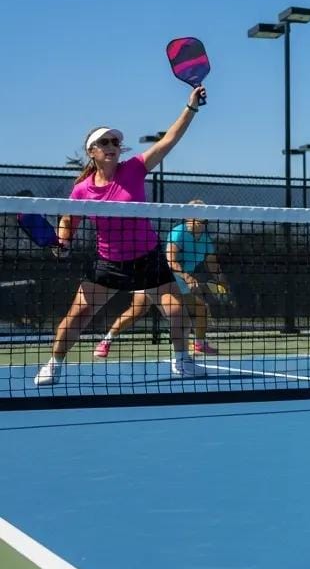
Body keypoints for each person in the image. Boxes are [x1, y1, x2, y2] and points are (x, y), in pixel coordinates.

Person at [34, 87, 208, 386]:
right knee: (76, 318)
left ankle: (182, 361)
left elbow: (169, 140)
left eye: (116, 141)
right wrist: (63, 242)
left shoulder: (135, 169)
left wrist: (190, 107)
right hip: (109, 264)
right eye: (105, 142)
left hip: (148, 259)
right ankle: (53, 364)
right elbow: (69, 219)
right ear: (92, 151)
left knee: (177, 312)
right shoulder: (82, 189)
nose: (112, 145)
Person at [92, 199, 228, 358]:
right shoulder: (179, 233)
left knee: (200, 309)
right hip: (158, 276)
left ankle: (199, 345)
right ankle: (106, 341)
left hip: (179, 282)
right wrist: (187, 277)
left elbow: (213, 264)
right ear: (188, 216)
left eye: (204, 215)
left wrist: (222, 280)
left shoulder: (205, 239)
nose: (202, 219)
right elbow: (171, 260)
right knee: (137, 310)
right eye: (199, 214)